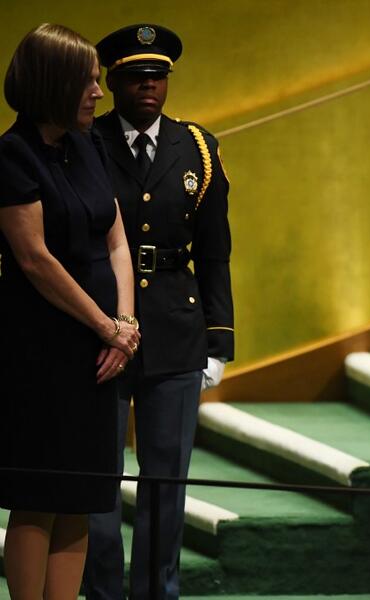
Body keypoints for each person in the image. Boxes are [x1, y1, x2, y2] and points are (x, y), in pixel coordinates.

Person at [84, 24, 234, 600]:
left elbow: (216, 250)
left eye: (158, 75)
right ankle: (101, 591)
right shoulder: (86, 141)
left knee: (166, 478)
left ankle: (156, 593)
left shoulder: (196, 147)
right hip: (99, 324)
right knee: (98, 475)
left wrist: (219, 339)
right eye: (135, 76)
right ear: (113, 81)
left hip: (176, 324)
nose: (149, 85)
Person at [0, 23, 140, 600]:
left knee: (83, 496)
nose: (99, 92)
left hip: (99, 351)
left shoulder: (87, 145)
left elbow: (116, 240)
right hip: (41, 350)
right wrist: (105, 325)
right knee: (39, 499)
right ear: (54, 83)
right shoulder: (12, 155)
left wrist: (125, 327)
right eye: (88, 81)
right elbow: (35, 260)